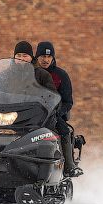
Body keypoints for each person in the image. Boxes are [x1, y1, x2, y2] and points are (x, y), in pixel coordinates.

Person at [34, 40, 81, 177]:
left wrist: (57, 113)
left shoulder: (61, 75)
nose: (46, 60)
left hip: (52, 114)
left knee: (64, 130)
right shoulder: (30, 73)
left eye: (49, 57)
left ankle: (69, 166)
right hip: (30, 113)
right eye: (43, 56)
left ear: (53, 58)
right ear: (37, 57)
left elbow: (68, 101)